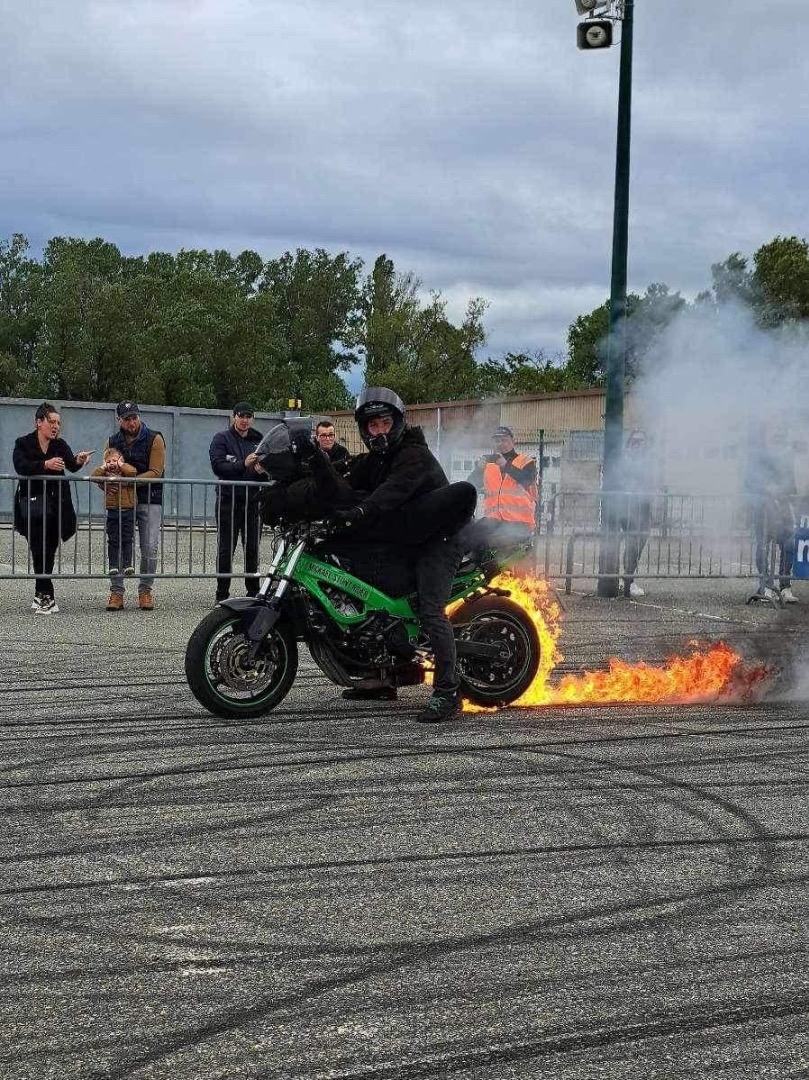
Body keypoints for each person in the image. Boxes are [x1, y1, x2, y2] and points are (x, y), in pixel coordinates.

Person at [329, 387, 477, 723]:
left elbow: (392, 491)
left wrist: (361, 511)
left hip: (440, 539)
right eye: (372, 425)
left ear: (397, 423)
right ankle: (383, 679)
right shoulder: (375, 460)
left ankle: (448, 693)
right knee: (375, 599)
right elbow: (345, 479)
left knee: (430, 610)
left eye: (384, 423)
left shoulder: (413, 455)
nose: (379, 431)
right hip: (409, 539)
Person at [12, 402, 94, 614]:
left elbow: (71, 465)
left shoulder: (60, 445)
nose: (56, 426)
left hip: (57, 506)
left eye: (58, 423)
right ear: (39, 422)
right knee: (38, 547)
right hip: (32, 505)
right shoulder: (23, 443)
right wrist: (45, 465)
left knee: (49, 548)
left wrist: (79, 460)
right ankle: (45, 594)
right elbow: (21, 466)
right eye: (52, 422)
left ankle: (42, 594)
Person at [103, 401, 166, 611]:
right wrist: (106, 485)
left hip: (149, 498)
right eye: (127, 419)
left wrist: (128, 481)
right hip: (121, 501)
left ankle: (145, 590)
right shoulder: (112, 441)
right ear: (119, 420)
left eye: (134, 417)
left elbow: (156, 472)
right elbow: (105, 470)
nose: (132, 422)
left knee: (149, 547)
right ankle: (116, 591)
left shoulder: (155, 438)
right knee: (118, 544)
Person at [209, 403, 267, 604]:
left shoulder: (259, 440)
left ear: (253, 419)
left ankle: (253, 593)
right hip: (228, 502)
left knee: (252, 549)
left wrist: (259, 470)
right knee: (226, 549)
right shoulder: (221, 438)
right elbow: (218, 466)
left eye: (248, 416)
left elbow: (265, 469)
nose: (244, 420)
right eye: (241, 416)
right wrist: (243, 464)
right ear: (234, 417)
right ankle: (221, 594)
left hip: (252, 503)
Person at [745, 428, 799, 604]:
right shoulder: (757, 457)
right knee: (762, 547)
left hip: (783, 509)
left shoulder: (786, 458)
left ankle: (785, 586)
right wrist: (767, 489)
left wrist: (781, 490)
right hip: (763, 509)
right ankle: (766, 586)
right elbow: (750, 483)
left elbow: (792, 486)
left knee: (788, 544)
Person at [466, 425, 538, 550]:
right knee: (469, 537)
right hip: (493, 520)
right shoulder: (489, 466)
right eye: (497, 441)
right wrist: (478, 469)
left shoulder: (525, 462)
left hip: (519, 522)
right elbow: (470, 484)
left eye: (504, 440)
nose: (500, 444)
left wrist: (506, 465)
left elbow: (527, 479)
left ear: (513, 441)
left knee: (495, 542)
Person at [91, 449, 138, 606]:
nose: (112, 464)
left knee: (127, 539)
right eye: (109, 461)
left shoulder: (126, 472)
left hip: (128, 510)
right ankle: (113, 565)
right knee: (113, 540)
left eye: (115, 460)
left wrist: (121, 465)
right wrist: (103, 467)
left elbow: (133, 472)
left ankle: (127, 564)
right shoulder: (106, 475)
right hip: (112, 511)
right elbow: (93, 476)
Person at [617, 429, 655, 598]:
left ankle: (627, 578)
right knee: (632, 544)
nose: (639, 445)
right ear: (630, 443)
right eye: (636, 441)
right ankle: (627, 581)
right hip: (628, 508)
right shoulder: (626, 460)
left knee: (639, 543)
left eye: (642, 441)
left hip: (643, 507)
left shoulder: (647, 461)